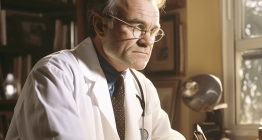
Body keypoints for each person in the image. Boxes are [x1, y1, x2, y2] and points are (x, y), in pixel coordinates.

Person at [5, 0, 186, 139]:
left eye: (153, 31)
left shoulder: (142, 86)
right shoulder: (54, 74)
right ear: (101, 26)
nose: (147, 41)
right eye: (137, 28)